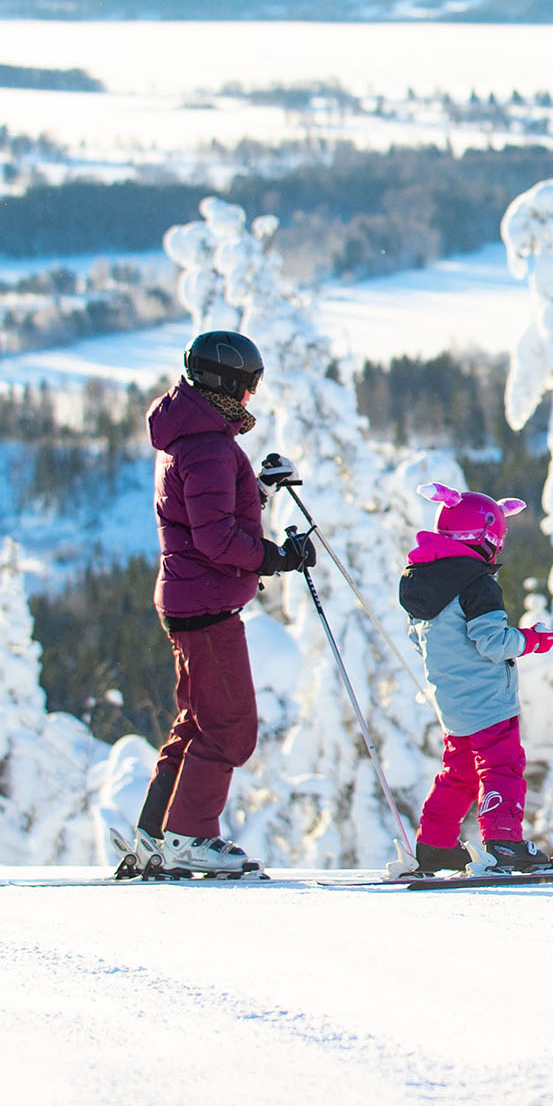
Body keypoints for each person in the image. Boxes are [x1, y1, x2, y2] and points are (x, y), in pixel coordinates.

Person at [119, 328, 316, 878]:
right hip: (205, 607)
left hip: (189, 600)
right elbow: (215, 539)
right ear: (226, 384)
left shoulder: (196, 437)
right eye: (248, 387)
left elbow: (213, 510)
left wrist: (260, 489)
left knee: (196, 721)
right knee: (230, 726)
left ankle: (156, 835)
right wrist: (277, 557)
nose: (251, 397)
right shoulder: (208, 446)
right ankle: (190, 837)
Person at [399, 481, 553, 876]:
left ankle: (435, 845)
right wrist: (531, 640)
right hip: (487, 698)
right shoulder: (477, 585)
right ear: (487, 537)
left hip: (451, 698)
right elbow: (492, 643)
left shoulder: (422, 581)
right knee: (501, 766)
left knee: (458, 771)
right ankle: (503, 840)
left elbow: (420, 640)